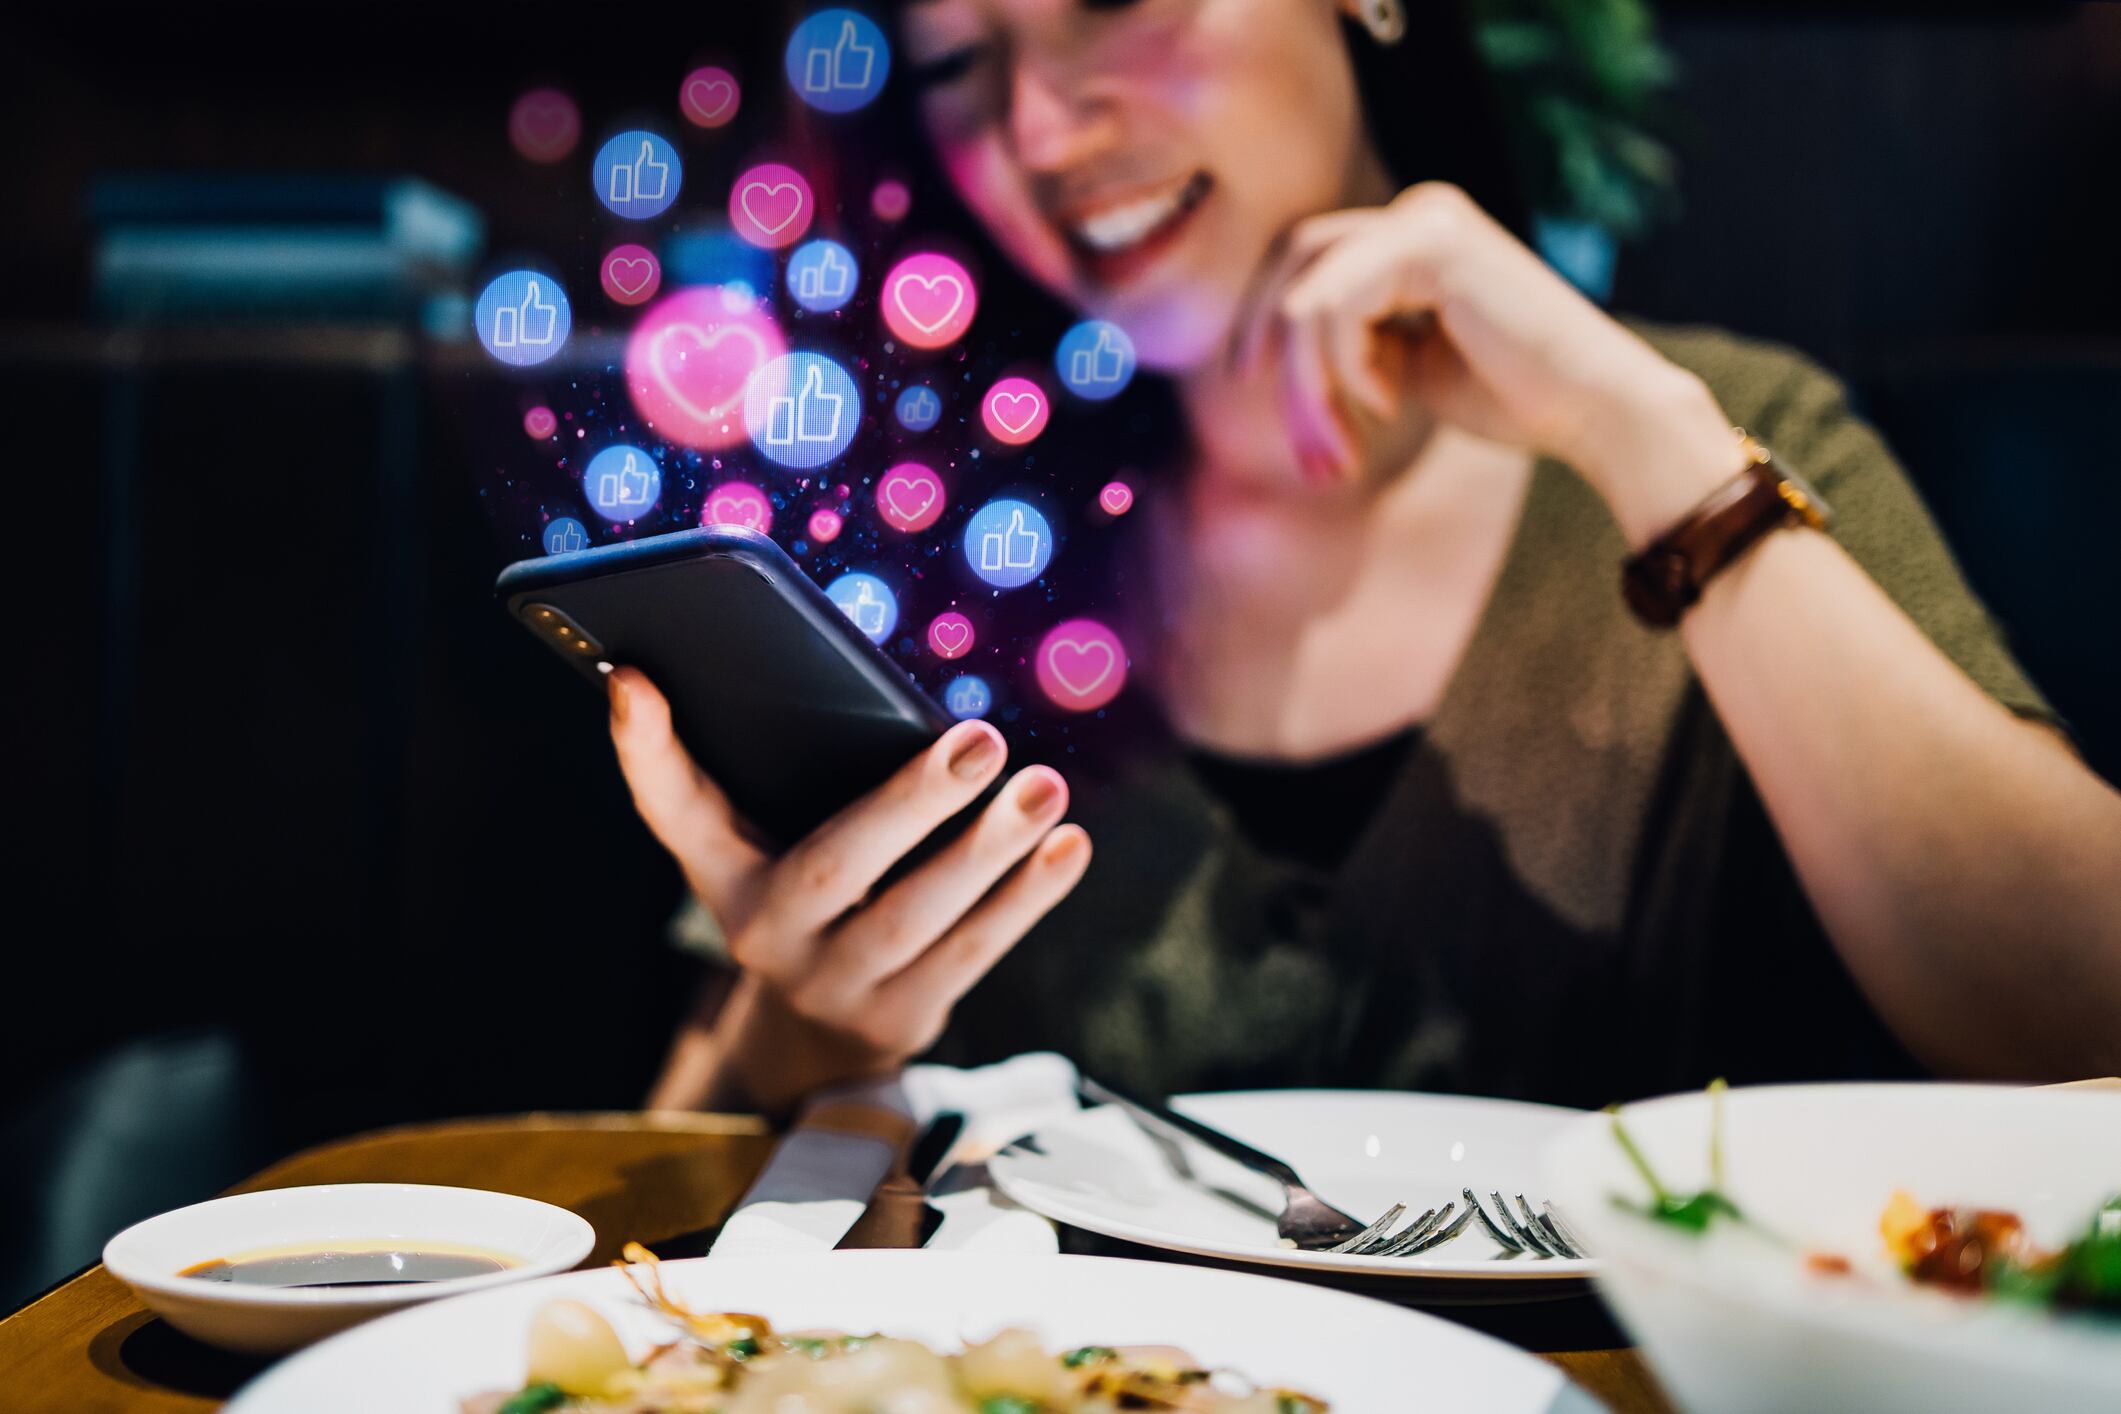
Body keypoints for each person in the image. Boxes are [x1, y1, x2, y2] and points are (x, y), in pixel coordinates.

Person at [612, 0, 2121, 1117]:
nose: (1039, 132)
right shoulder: (952, 549)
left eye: (1112, 6)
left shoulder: (1726, 437)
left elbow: (2081, 1013)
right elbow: (677, 1177)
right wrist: (806, 1026)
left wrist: (1642, 439)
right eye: (957, 67)